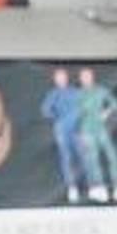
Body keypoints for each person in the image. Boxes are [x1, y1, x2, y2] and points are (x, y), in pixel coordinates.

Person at [74, 67, 117, 203]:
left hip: (100, 130)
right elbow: (76, 115)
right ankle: (99, 188)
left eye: (88, 76)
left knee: (112, 156)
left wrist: (105, 114)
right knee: (93, 159)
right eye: (83, 77)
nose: (86, 79)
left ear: (92, 77)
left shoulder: (100, 91)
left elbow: (114, 104)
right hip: (87, 131)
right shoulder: (79, 95)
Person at [40, 67, 88, 203]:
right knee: (66, 158)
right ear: (55, 80)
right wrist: (58, 118)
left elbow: (85, 108)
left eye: (63, 77)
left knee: (83, 157)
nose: (61, 80)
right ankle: (72, 188)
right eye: (58, 78)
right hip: (62, 130)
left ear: (67, 78)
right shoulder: (53, 94)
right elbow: (45, 111)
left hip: (77, 130)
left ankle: (86, 186)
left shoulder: (76, 92)